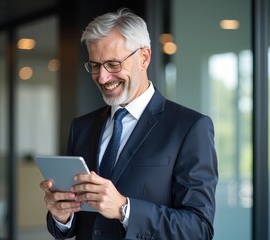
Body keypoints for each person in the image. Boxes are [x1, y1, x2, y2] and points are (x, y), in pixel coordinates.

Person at [39, 8, 218, 240]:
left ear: (144, 57)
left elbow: (199, 229)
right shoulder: (81, 128)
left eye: (113, 64)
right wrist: (61, 215)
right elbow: (74, 226)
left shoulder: (190, 128)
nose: (102, 77)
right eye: (95, 65)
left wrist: (125, 209)